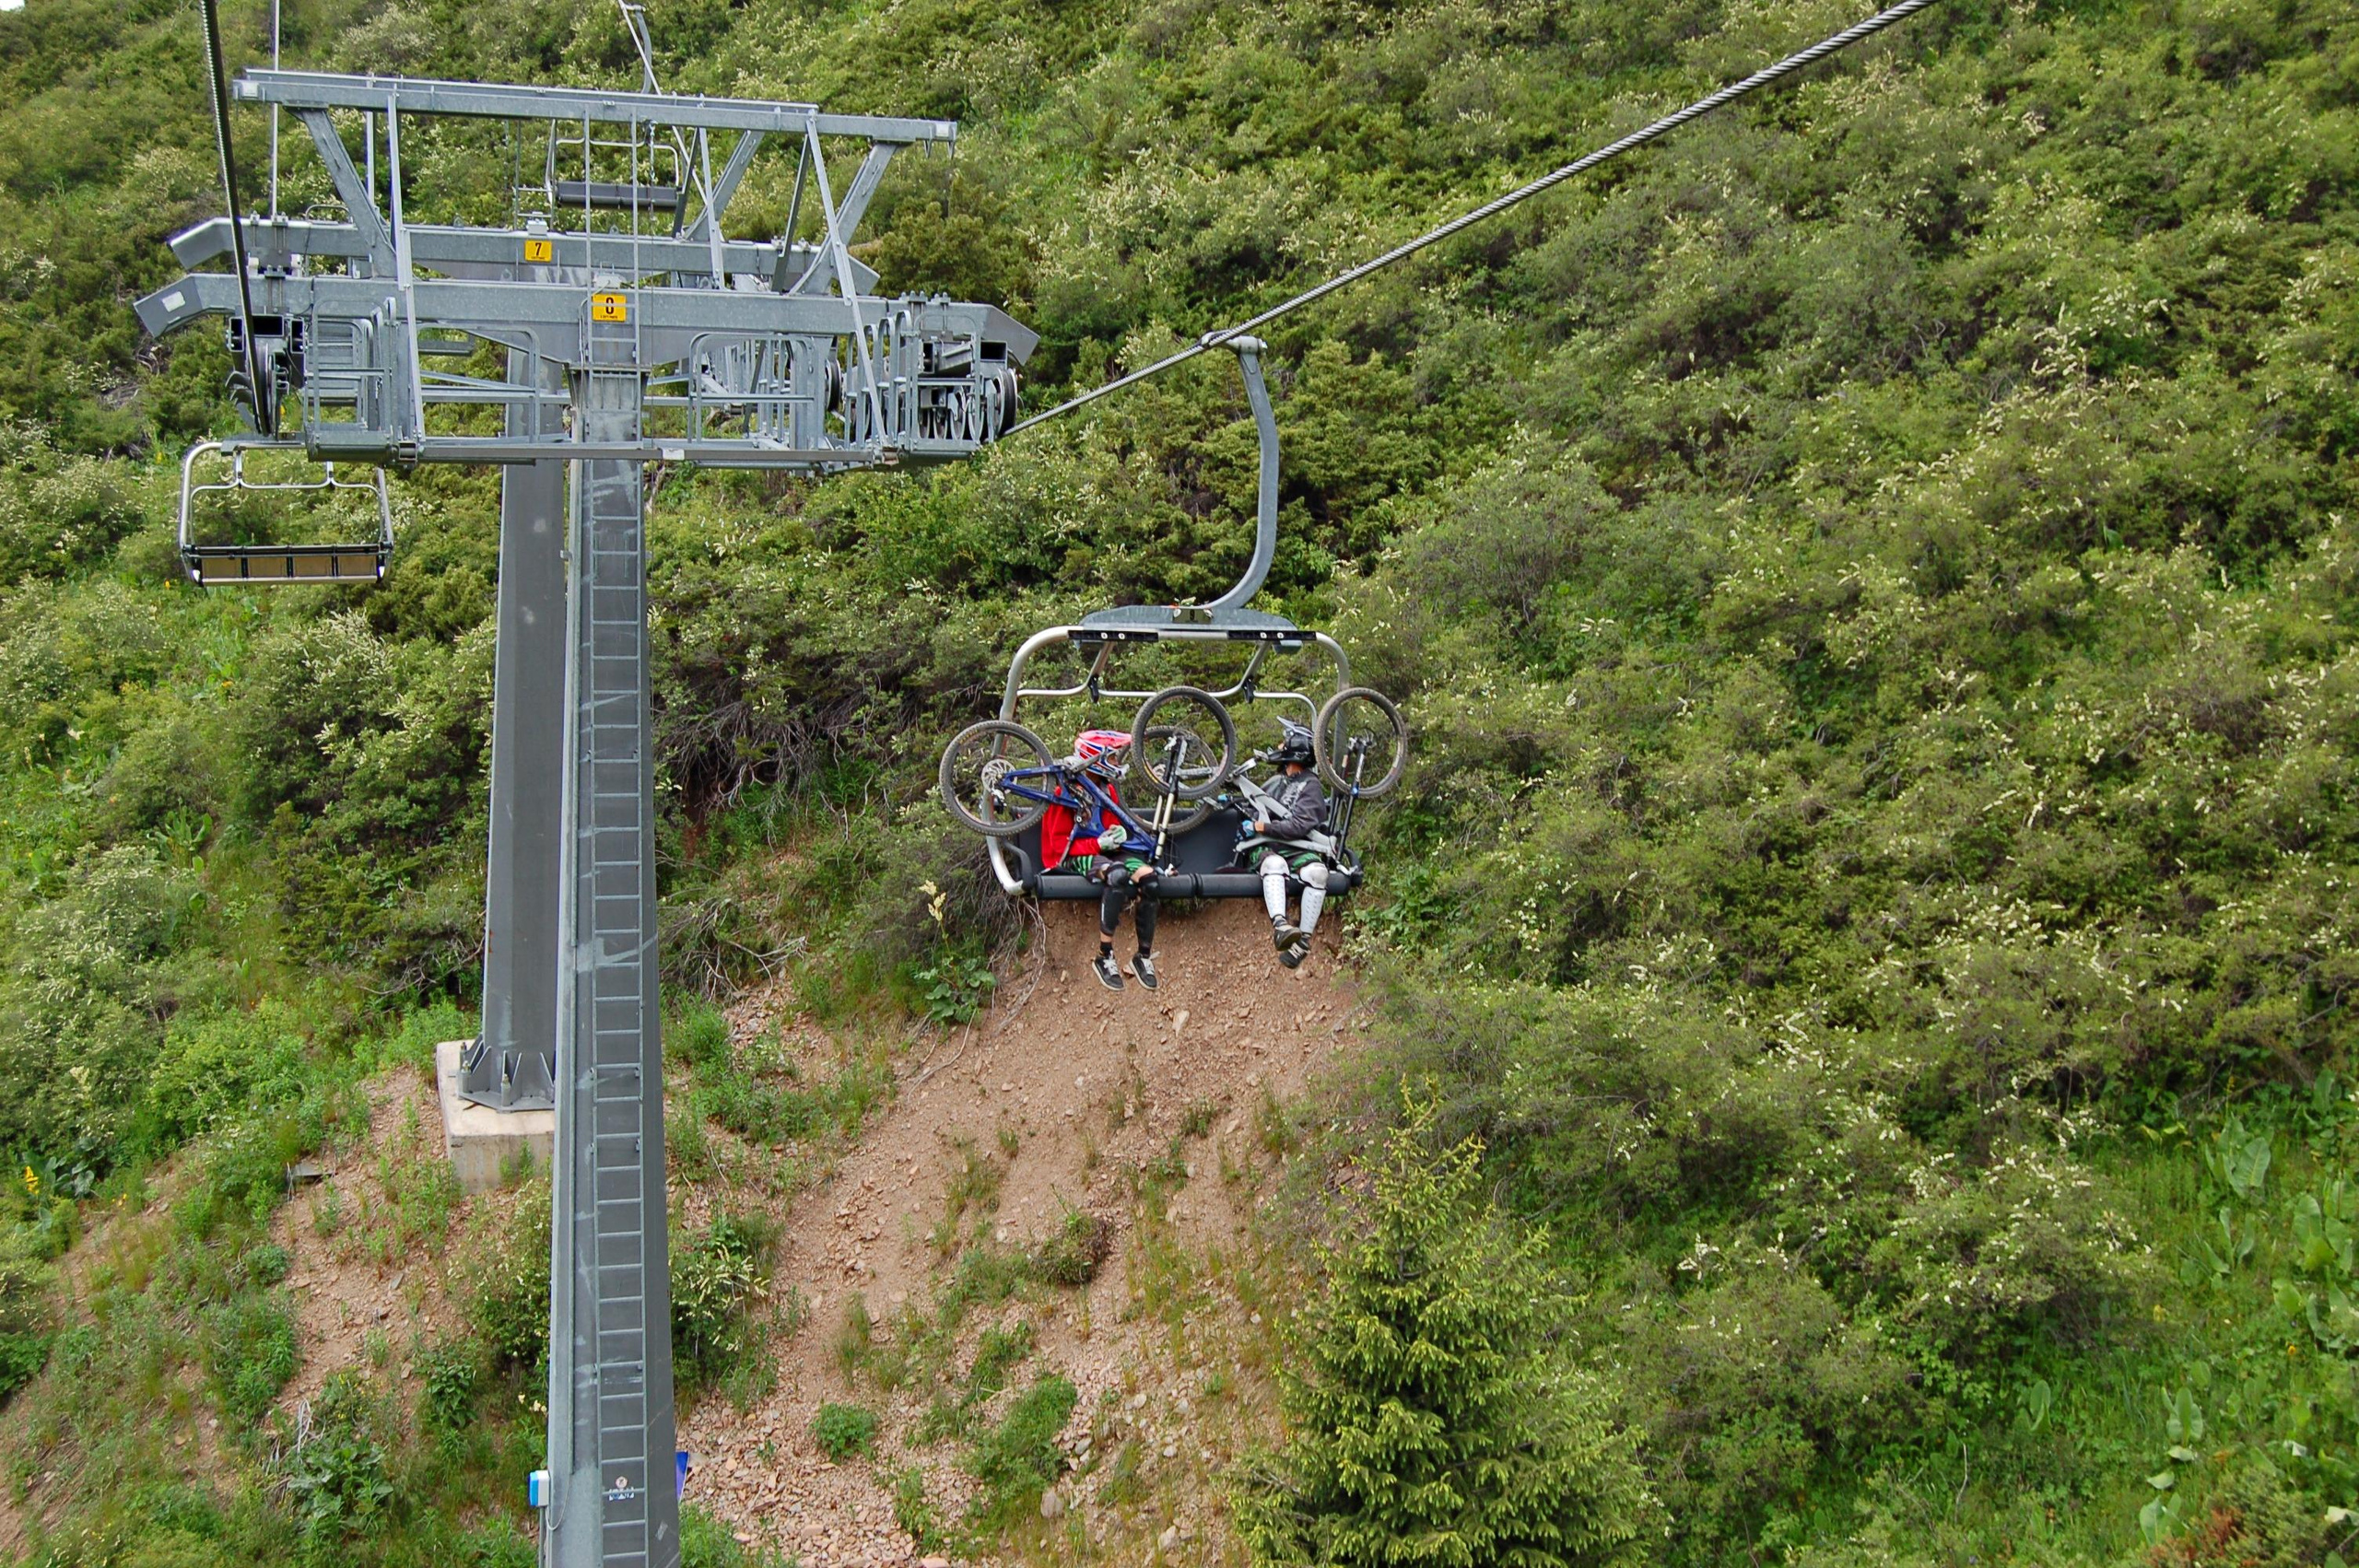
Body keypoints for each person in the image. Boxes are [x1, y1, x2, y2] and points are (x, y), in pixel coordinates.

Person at [1040, 730, 1161, 993]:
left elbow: (1112, 824)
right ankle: (1104, 955)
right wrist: (1098, 844)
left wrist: (1118, 835)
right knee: (1117, 875)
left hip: (1106, 851)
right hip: (1076, 856)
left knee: (1150, 880)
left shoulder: (1107, 791)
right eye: (1113, 758)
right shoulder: (1066, 793)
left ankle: (1143, 956)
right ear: (1096, 759)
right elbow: (1061, 845)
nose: (1117, 763)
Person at [1251, 720, 1330, 968]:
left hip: (1300, 847)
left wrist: (1266, 827)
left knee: (1318, 873)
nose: (1280, 746)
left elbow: (1299, 825)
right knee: (1274, 864)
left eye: (1284, 741)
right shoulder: (1275, 782)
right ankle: (1281, 925)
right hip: (1269, 848)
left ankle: (1303, 941)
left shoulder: (1311, 786)